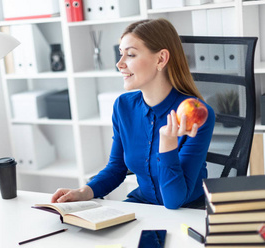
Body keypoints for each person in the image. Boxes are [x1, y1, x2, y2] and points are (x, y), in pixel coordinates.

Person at [51, 18, 215, 209]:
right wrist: (83, 192)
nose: (119, 64)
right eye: (121, 54)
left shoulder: (197, 116)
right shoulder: (123, 106)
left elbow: (173, 201)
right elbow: (117, 168)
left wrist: (168, 143)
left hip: (187, 213)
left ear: (161, 59)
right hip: (142, 205)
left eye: (130, 55)